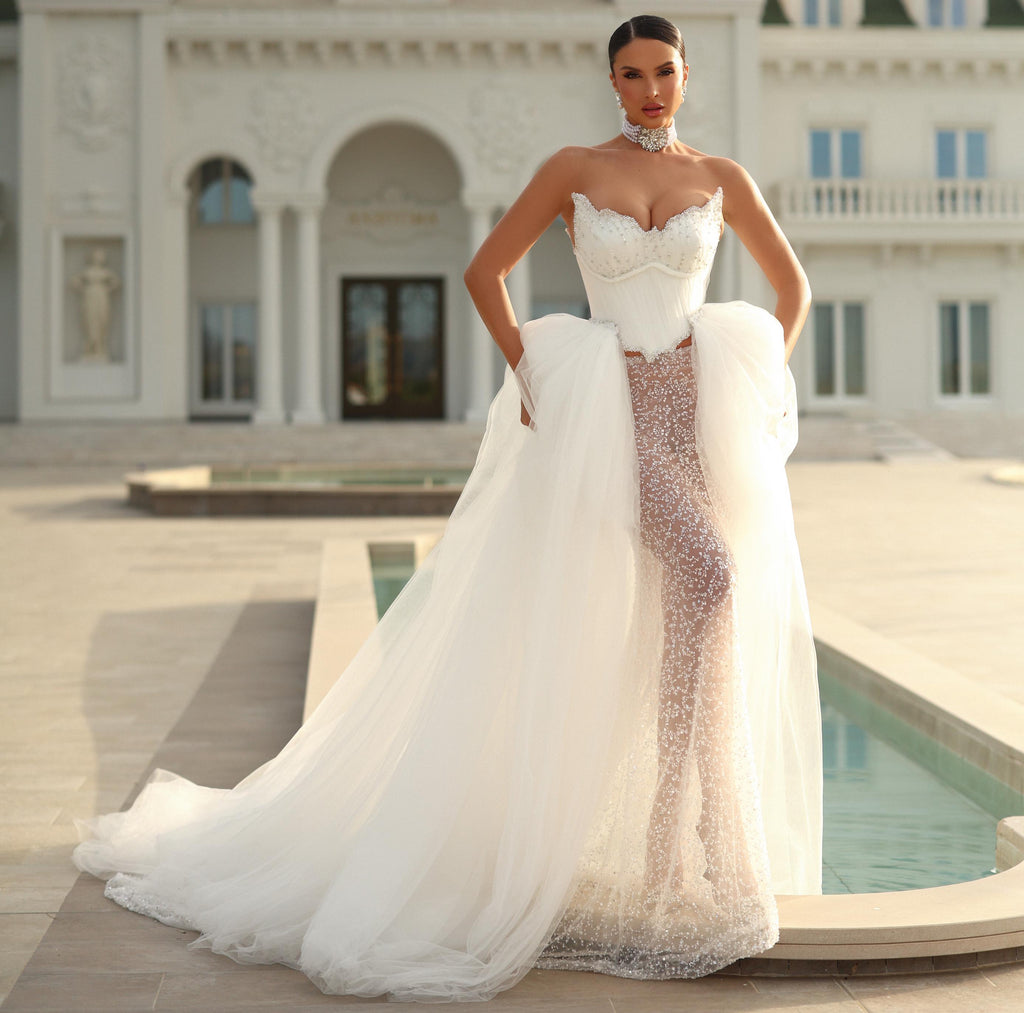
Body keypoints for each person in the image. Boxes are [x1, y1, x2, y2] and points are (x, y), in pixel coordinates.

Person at [72, 14, 822, 1004]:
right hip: (609, 412)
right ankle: (672, 836)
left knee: (694, 608)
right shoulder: (572, 169)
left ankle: (692, 841)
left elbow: (792, 287)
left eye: (664, 72)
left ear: (686, 76)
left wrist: (758, 386)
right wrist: (530, 374)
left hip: (697, 409)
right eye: (632, 73)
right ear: (611, 80)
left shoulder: (719, 176)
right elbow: (483, 272)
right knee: (712, 578)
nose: (650, 89)